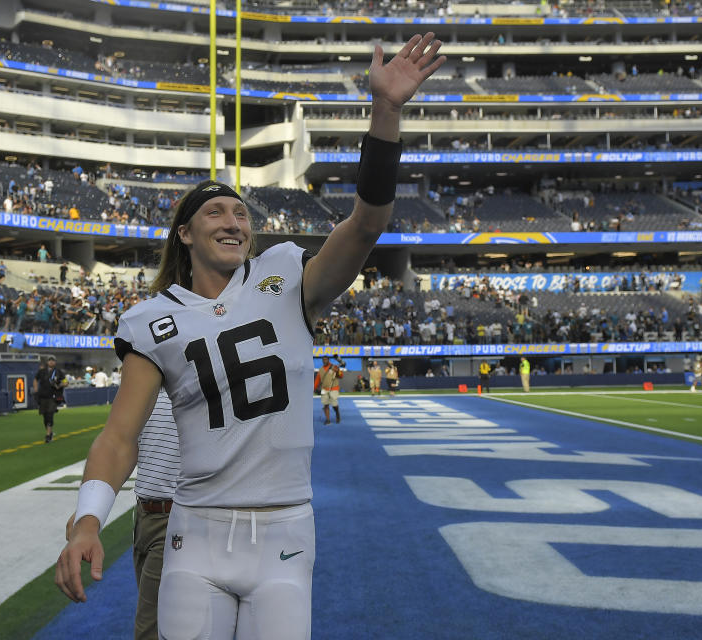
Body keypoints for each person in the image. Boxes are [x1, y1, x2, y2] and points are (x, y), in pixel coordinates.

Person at [55, 32, 445, 640]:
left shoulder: (286, 278)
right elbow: (118, 436)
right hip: (195, 529)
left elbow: (368, 222)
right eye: (215, 212)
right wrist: (85, 521)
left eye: (241, 213)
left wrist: (386, 111)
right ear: (185, 235)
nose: (234, 221)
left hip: (285, 527)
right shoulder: (153, 320)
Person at [64, 390, 179, 640]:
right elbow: (125, 447)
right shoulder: (149, 379)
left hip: (177, 518)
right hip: (144, 516)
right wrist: (90, 511)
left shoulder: (196, 375)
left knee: (152, 629)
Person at [34, 355, 66, 443]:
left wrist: (60, 385)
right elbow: (36, 379)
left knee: (50, 414)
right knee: (45, 416)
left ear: (55, 362)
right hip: (43, 396)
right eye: (49, 360)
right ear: (47, 362)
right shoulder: (42, 371)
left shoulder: (58, 372)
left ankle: (48, 435)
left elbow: (65, 382)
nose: (51, 362)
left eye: (53, 360)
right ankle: (50, 432)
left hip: (53, 397)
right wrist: (36, 390)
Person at [314, 355, 343, 425]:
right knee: (325, 405)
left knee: (334, 404)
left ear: (328, 360)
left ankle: (337, 413)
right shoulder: (320, 370)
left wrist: (338, 371)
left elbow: (341, 376)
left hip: (334, 388)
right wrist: (314, 388)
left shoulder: (334, 367)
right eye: (323, 360)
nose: (324, 361)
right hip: (324, 389)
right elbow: (317, 380)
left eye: (326, 359)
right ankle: (328, 419)